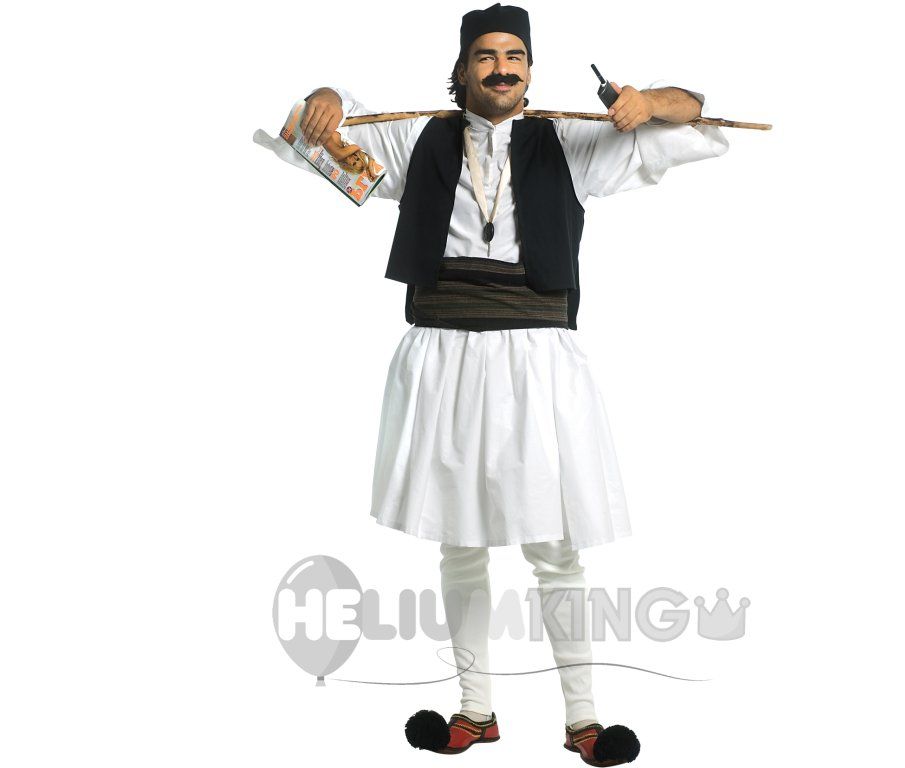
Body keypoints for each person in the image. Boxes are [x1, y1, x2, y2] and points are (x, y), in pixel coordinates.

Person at [257, 3, 728, 764]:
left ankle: (584, 721)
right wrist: (327, 98)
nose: (502, 68)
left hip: (536, 364)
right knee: (460, 543)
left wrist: (649, 102)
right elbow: (321, 134)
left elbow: (697, 116)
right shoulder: (418, 139)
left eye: (515, 56)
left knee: (555, 546)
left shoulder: (571, 140)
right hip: (444, 358)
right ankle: (474, 712)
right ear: (463, 67)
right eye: (486, 55)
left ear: (530, 70)